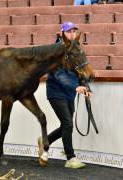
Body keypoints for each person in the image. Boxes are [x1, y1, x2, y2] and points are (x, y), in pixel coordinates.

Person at [37, 22, 92, 169]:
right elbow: (59, 75)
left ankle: (45, 141)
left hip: (69, 93)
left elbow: (79, 69)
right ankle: (70, 158)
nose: (72, 33)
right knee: (68, 124)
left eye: (74, 31)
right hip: (56, 92)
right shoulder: (54, 52)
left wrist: (86, 86)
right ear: (61, 33)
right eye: (69, 31)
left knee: (66, 125)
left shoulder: (74, 49)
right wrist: (76, 87)